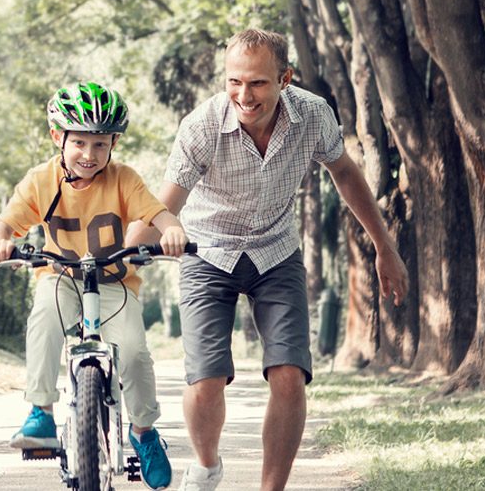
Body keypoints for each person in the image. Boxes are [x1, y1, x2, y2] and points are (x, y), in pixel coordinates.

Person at [127, 29, 409, 491]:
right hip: (207, 251)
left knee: (289, 374)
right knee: (206, 378)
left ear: (285, 78)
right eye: (234, 81)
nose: (244, 94)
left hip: (276, 251)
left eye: (257, 83)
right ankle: (207, 462)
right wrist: (112, 262)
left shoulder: (313, 115)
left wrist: (385, 247)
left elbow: (344, 173)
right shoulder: (200, 127)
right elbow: (163, 206)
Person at [0, 81, 187, 491]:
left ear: (113, 142)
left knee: (132, 352)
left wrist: (173, 231)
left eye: (100, 144)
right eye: (79, 143)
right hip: (60, 277)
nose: (89, 155)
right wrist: (0, 238)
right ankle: (40, 411)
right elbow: (9, 222)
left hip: (113, 281)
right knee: (44, 319)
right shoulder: (41, 180)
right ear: (57, 137)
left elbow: (157, 213)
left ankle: (145, 434)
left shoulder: (123, 179)